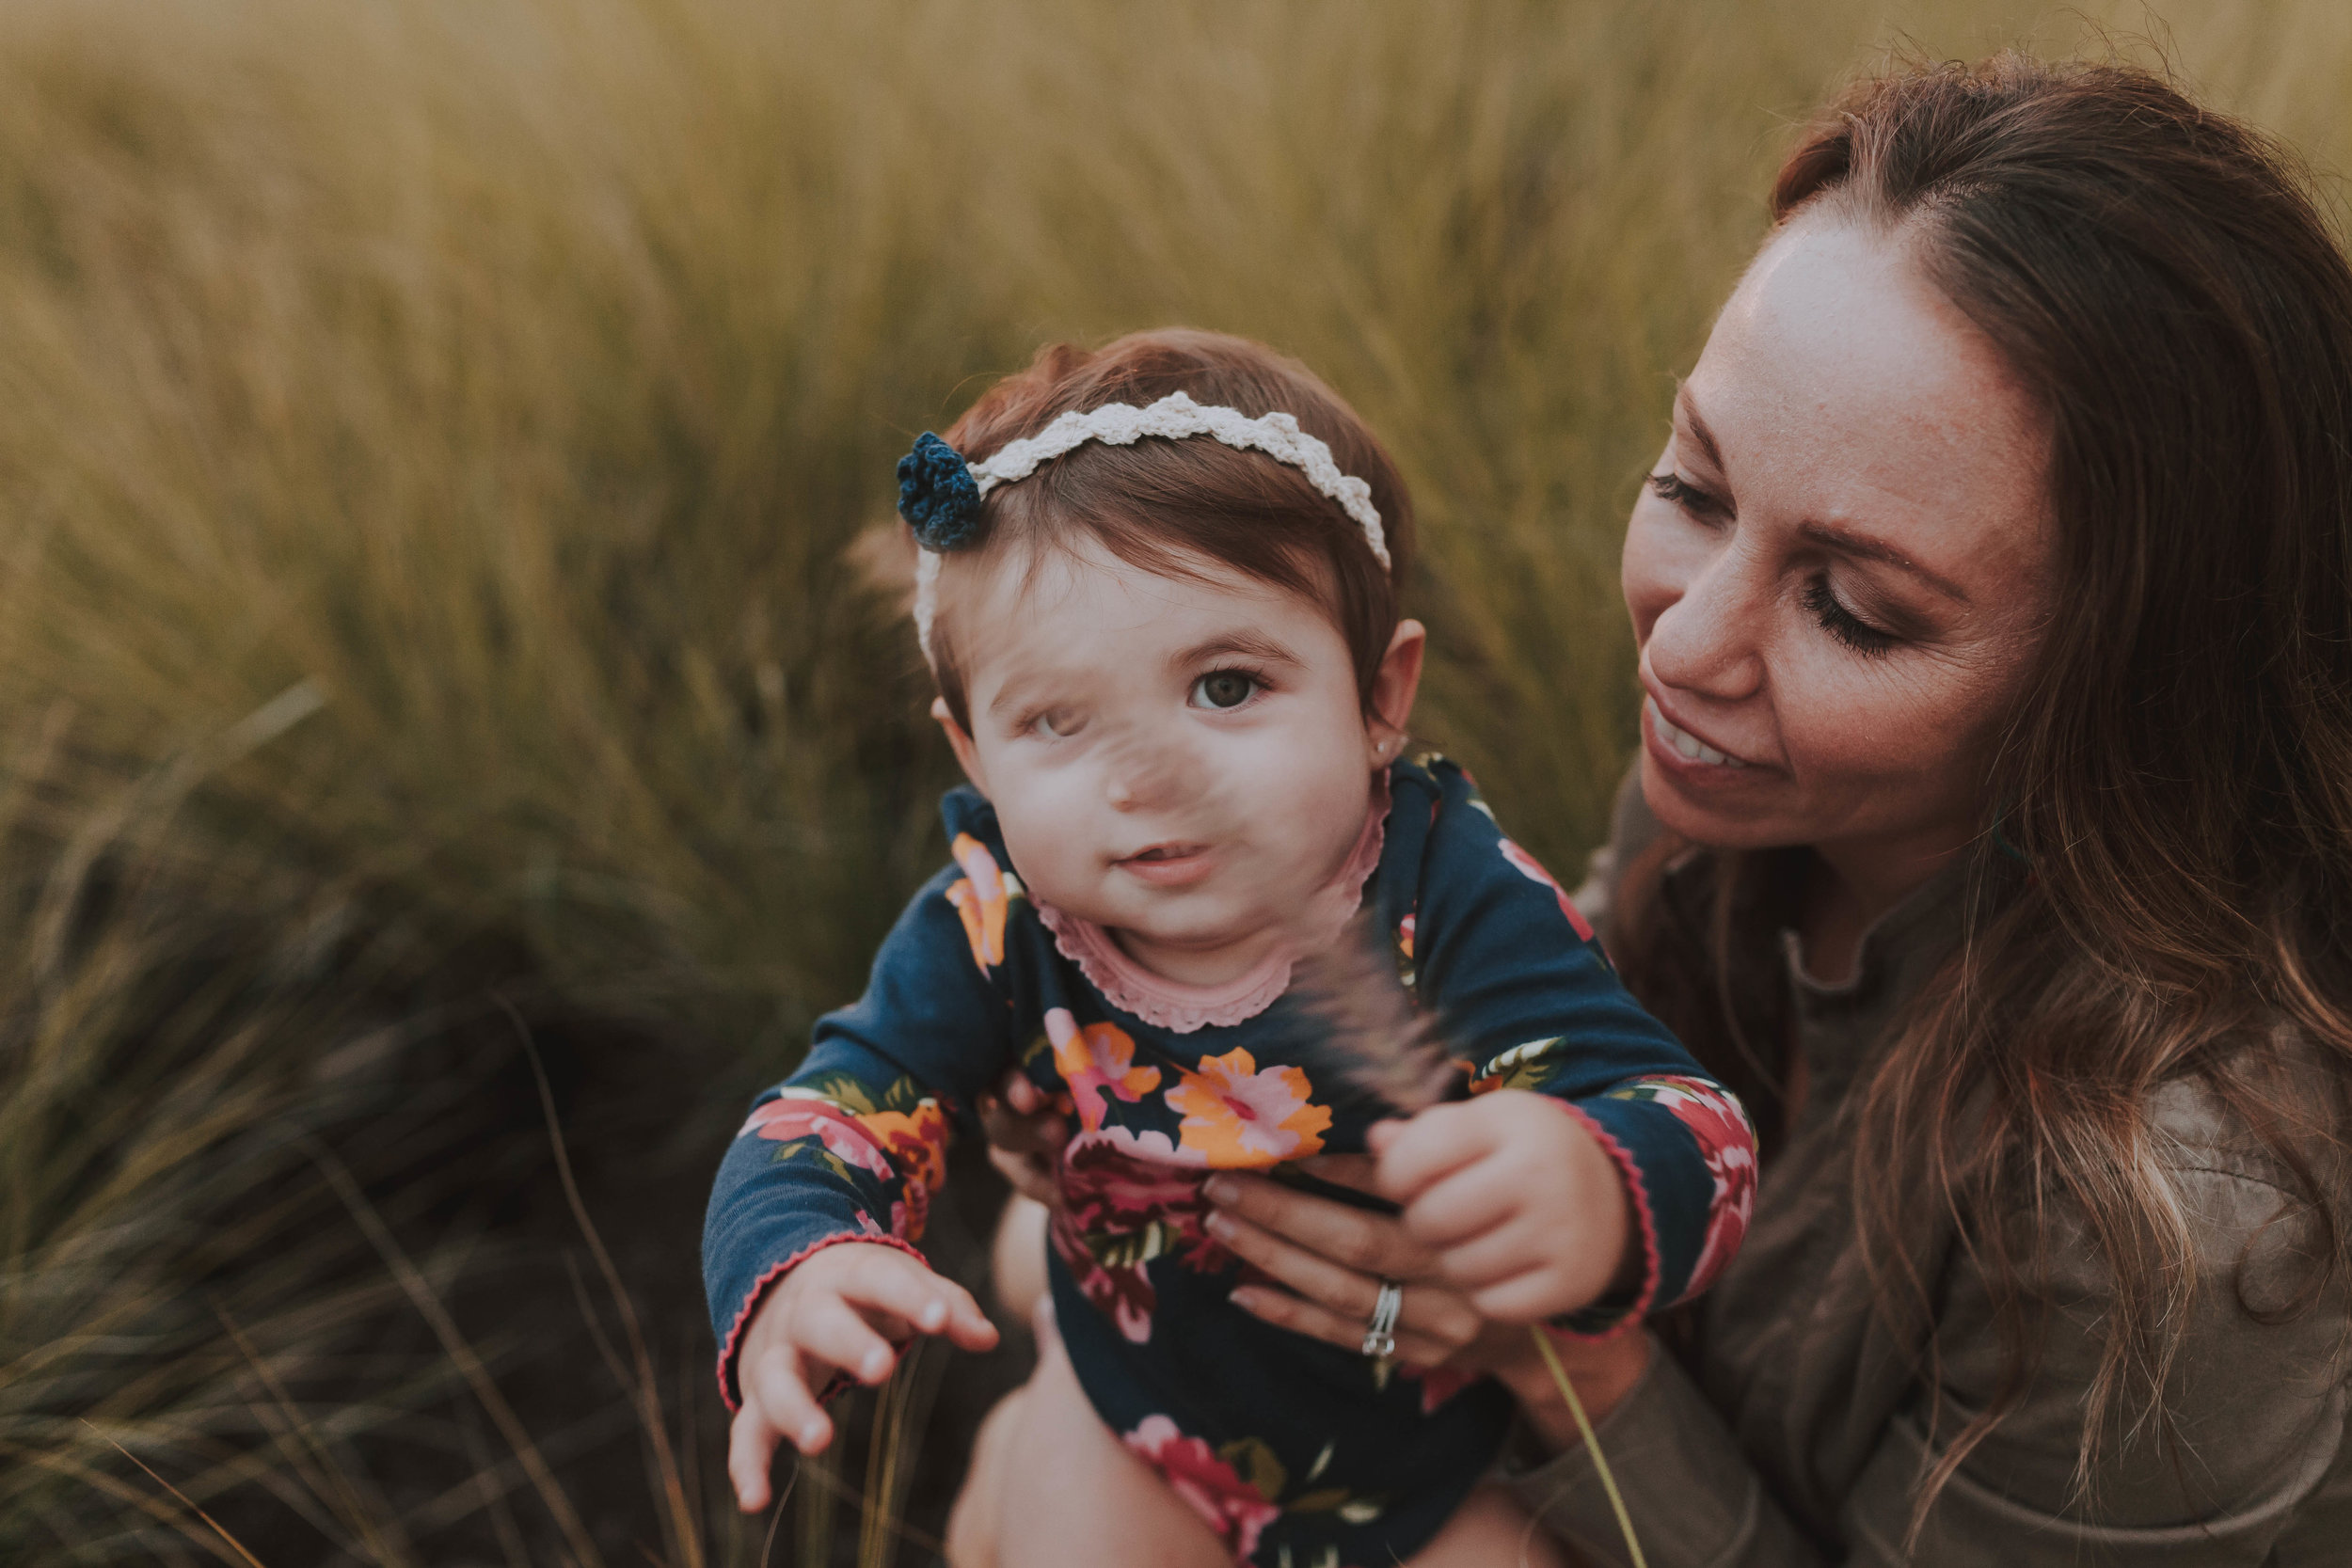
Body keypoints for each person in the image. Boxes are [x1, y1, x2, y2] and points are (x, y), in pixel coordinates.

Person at [979, 54, 2352, 1566]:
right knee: (1053, 1268)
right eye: (1694, 487)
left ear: (2127, 684)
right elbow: (1534, 1037)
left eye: (1856, 609)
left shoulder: (2177, 1217)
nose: (1683, 644)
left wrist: (1556, 1354)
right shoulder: (1750, 796)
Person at [700, 328, 1758, 1567]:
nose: (1153, 778)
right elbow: (830, 1111)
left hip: (1427, 1465)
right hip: (1140, 1431)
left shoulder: (1444, 891)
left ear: (1379, 698)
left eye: (1225, 688)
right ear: (976, 760)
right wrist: (796, 1263)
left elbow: (1694, 1124)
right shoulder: (1000, 918)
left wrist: (1593, 1182)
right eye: (1057, 719)